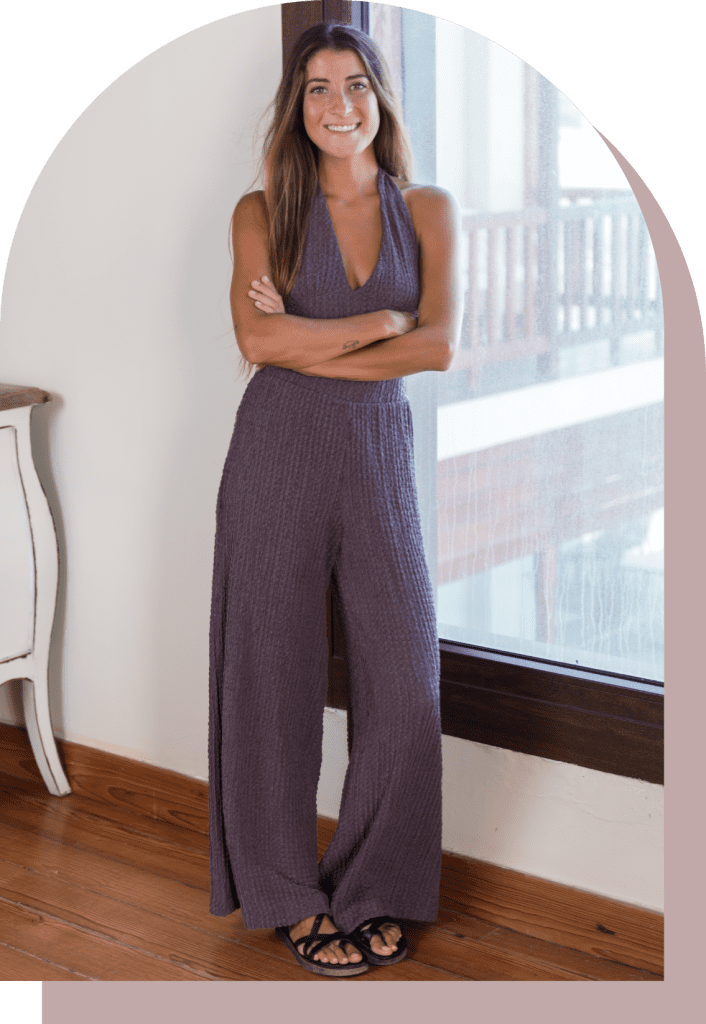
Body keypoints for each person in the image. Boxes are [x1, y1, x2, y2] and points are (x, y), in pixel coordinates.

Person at [207, 21, 461, 978]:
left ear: (380, 99)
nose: (338, 104)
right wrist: (382, 321)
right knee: (270, 679)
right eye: (317, 88)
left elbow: (438, 347)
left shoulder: (427, 209)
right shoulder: (260, 212)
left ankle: (376, 883)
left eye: (355, 84)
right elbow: (258, 347)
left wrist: (316, 341)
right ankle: (285, 895)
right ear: (297, 107)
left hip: (378, 458)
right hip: (275, 454)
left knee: (405, 679)